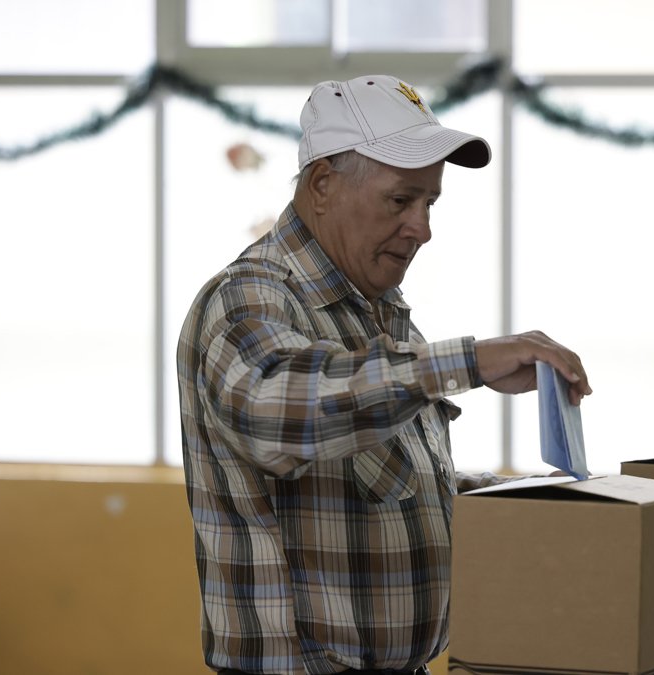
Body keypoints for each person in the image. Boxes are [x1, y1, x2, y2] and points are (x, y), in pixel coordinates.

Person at [177, 74, 591, 675]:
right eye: (401, 200)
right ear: (322, 185)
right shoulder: (248, 299)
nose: (422, 228)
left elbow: (387, 486)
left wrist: (523, 497)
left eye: (430, 203)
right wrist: (468, 361)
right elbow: (277, 409)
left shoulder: (380, 314)